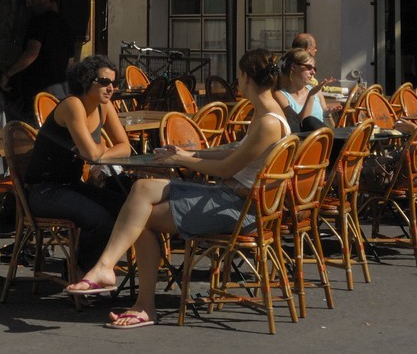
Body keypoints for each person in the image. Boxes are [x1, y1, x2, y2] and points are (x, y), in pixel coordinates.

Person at [62, 48, 290, 329]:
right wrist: (190, 153)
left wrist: (184, 159)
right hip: (232, 199)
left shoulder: (267, 121)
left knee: (139, 218)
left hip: (238, 207)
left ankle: (141, 303)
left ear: (244, 76)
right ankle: (106, 269)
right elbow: (234, 153)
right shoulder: (269, 113)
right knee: (143, 188)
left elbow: (227, 168)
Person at [22, 56, 133, 273]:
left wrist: (100, 151)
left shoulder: (104, 106)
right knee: (100, 219)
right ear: (85, 81)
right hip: (45, 190)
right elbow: (90, 153)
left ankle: (96, 266)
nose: (110, 88)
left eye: (113, 83)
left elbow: (125, 147)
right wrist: (98, 151)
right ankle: (80, 270)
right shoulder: (72, 105)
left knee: (127, 208)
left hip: (72, 186)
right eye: (103, 82)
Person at [0, 0, 75, 112]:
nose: (30, 3)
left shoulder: (39, 21)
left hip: (39, 90)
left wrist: (7, 75)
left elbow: (31, 53)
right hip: (62, 90)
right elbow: (70, 62)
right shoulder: (66, 25)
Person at [273, 47, 329, 132]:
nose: (313, 72)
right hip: (304, 142)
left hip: (323, 140)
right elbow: (301, 124)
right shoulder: (280, 96)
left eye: (314, 69)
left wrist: (328, 116)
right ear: (294, 67)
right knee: (310, 121)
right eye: (309, 67)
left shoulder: (316, 91)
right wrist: (311, 96)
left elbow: (330, 127)